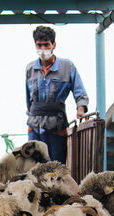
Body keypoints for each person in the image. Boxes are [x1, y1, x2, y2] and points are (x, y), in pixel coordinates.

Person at [26, 26, 89, 164]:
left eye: (46, 45)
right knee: (33, 168)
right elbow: (28, 99)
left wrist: (81, 109)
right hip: (35, 126)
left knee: (56, 168)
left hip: (56, 127)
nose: (43, 49)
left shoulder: (67, 67)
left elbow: (79, 91)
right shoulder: (30, 69)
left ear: (53, 45)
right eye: (39, 45)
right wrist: (30, 116)